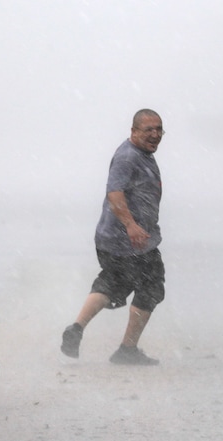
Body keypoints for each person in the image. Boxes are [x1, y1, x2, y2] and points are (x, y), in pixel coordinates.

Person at [61, 109, 166, 365]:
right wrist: (131, 225)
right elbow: (115, 194)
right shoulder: (128, 157)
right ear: (133, 131)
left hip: (116, 239)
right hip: (131, 241)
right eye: (148, 129)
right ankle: (127, 350)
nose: (155, 135)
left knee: (114, 283)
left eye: (159, 129)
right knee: (150, 287)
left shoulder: (140, 154)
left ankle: (76, 328)